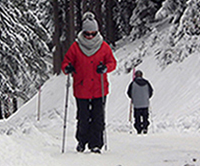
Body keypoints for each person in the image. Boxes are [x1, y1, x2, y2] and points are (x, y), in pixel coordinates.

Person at [61, 12, 117, 154]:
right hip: (82, 88)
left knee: (98, 117)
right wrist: (68, 68)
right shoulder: (75, 47)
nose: (90, 36)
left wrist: (105, 68)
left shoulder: (104, 47)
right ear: (83, 32)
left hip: (100, 88)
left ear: (97, 32)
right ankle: (81, 141)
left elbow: (112, 62)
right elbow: (66, 62)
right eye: (87, 34)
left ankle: (96, 144)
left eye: (93, 33)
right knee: (83, 117)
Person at [126, 70, 153, 134]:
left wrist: (133, 98)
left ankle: (138, 129)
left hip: (136, 104)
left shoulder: (133, 83)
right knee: (145, 116)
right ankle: (145, 127)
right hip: (145, 103)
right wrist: (147, 98)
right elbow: (151, 92)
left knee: (137, 117)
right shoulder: (147, 83)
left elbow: (129, 93)